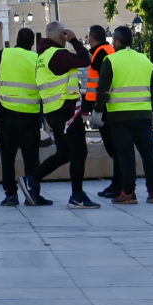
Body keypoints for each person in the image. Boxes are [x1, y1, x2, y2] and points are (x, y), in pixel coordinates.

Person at [32, 24, 100, 208]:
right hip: (66, 111)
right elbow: (87, 59)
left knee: (64, 153)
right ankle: (77, 196)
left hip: (53, 111)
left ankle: (31, 180)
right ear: (60, 35)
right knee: (79, 151)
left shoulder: (42, 57)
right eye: (64, 32)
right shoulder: (58, 54)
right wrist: (74, 40)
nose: (66, 34)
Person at [0, 28, 52, 207]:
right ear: (32, 44)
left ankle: (11, 195)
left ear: (16, 39)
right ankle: (33, 193)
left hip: (7, 115)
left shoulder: (5, 54)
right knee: (31, 159)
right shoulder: (36, 59)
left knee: (8, 157)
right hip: (30, 117)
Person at [99, 25, 153, 205]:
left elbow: (103, 90)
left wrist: (98, 111)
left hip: (119, 117)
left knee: (126, 156)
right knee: (147, 155)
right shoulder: (145, 60)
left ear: (117, 41)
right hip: (143, 115)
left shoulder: (110, 61)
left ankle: (128, 193)